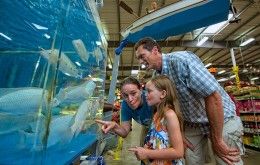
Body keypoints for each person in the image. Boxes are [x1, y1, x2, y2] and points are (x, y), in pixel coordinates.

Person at [134, 37, 244, 165]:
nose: (141, 62)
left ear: (154, 50)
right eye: (139, 59)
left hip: (221, 118)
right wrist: (179, 133)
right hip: (193, 125)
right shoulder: (157, 77)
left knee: (226, 159)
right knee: (192, 161)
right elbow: (170, 106)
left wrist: (217, 139)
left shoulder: (181, 61)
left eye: (142, 56)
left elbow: (213, 97)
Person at [129, 75, 184, 165]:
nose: (145, 95)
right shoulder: (157, 114)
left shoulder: (169, 115)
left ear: (163, 94)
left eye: (149, 91)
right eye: (146, 91)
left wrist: (147, 153)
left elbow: (178, 152)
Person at [96, 76, 153, 142]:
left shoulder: (150, 98)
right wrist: (115, 126)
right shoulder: (125, 105)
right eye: (125, 95)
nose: (130, 99)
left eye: (133, 93)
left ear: (140, 90)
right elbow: (125, 132)